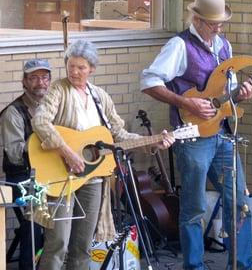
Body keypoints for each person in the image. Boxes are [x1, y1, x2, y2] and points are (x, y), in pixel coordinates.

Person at [31, 40, 174, 270]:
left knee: (83, 244)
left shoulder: (100, 97)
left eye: (81, 67)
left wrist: (154, 141)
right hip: (61, 176)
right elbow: (40, 121)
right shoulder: (59, 89)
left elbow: (118, 135)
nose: (74, 71)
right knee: (57, 242)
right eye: (71, 66)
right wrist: (67, 153)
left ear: (92, 69)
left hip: (94, 179)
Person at [140, 0, 252, 270]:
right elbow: (148, 80)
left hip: (222, 134)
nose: (218, 28)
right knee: (193, 208)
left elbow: (226, 94)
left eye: (220, 23)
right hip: (191, 137)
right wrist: (184, 101)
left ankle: (242, 265)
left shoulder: (224, 46)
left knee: (240, 200)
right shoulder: (179, 45)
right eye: (212, 23)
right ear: (196, 19)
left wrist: (240, 95)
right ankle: (194, 266)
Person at [0, 59, 51, 269]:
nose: (40, 82)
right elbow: (14, 155)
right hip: (22, 179)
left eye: (44, 77)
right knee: (37, 217)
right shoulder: (14, 112)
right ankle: (29, 266)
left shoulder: (52, 107)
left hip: (50, 176)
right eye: (34, 78)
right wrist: (46, 145)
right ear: (24, 81)